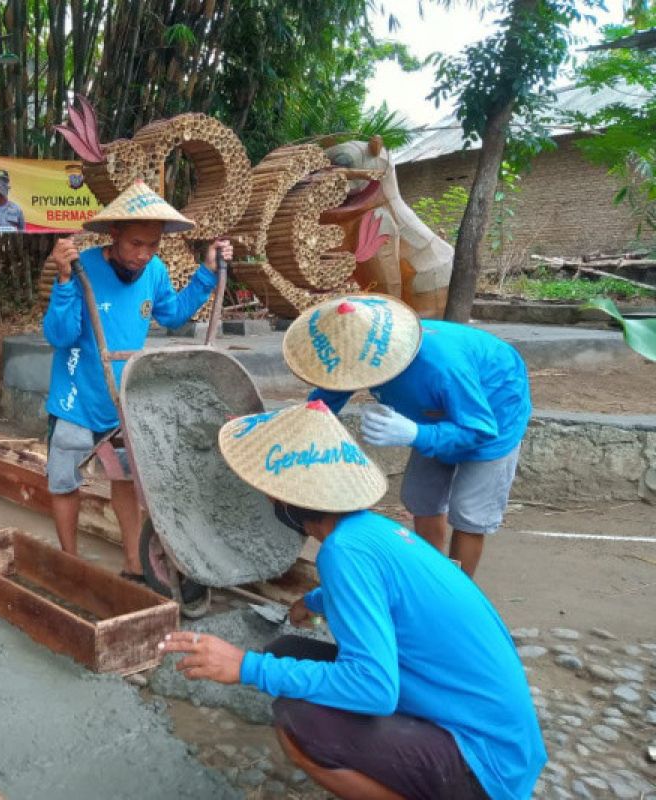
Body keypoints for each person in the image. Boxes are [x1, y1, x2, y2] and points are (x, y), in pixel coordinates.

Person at [160, 400, 546, 800]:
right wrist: (315, 601)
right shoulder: (370, 531)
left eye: (273, 494)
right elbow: (385, 593)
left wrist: (245, 666)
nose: (271, 502)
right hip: (503, 739)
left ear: (296, 502)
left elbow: (374, 689)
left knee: (298, 721)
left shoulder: (341, 553)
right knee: (288, 649)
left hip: (484, 766)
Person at [43, 179, 231, 588]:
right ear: (114, 235)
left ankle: (133, 563)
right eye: (135, 244)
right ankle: (70, 562)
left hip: (123, 398)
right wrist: (62, 280)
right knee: (65, 480)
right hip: (77, 397)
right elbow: (59, 335)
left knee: (127, 480)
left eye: (152, 244)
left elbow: (173, 315)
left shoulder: (155, 271)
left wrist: (206, 273)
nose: (143, 254)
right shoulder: (82, 267)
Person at [282, 294, 530, 577]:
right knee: (421, 497)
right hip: (431, 412)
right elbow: (330, 395)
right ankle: (430, 575)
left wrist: (415, 433)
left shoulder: (442, 368)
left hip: (493, 412)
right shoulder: (356, 353)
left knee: (469, 512)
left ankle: (457, 589)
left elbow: (479, 430)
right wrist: (298, 426)